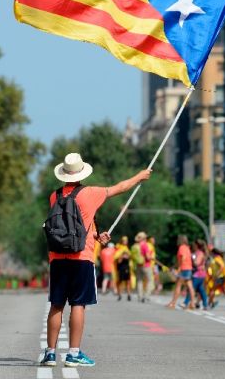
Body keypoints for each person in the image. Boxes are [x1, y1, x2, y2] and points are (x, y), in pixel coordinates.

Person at [39, 152, 150, 368]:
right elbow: (120, 188)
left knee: (57, 305)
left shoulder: (54, 196)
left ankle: (51, 353)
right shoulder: (90, 193)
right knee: (78, 304)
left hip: (57, 257)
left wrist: (98, 235)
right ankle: (73, 353)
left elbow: (71, 222)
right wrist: (139, 177)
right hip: (81, 257)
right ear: (81, 173)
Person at [167, 235, 196, 310]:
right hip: (189, 268)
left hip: (184, 268)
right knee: (190, 286)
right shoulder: (187, 248)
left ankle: (173, 303)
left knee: (178, 285)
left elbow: (183, 258)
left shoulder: (182, 248)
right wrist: (173, 267)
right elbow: (181, 260)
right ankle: (192, 303)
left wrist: (179, 268)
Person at [184, 239, 208, 309]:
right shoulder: (198, 252)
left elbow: (196, 263)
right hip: (200, 274)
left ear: (197, 245)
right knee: (201, 290)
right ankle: (205, 305)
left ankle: (185, 302)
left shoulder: (200, 253)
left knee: (192, 288)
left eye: (194, 245)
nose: (193, 246)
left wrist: (190, 259)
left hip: (198, 274)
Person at [133, 232, 154, 303]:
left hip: (138, 265)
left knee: (139, 281)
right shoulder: (145, 245)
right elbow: (147, 257)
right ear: (144, 238)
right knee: (150, 280)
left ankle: (140, 296)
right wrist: (151, 257)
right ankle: (146, 296)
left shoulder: (136, 245)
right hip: (146, 265)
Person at [114, 236, 132, 302]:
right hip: (121, 268)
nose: (126, 241)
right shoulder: (119, 248)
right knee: (119, 282)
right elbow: (118, 260)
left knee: (128, 282)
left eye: (126, 240)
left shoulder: (127, 249)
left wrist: (128, 256)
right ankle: (119, 295)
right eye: (124, 240)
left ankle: (129, 295)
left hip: (127, 268)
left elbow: (130, 257)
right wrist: (122, 256)